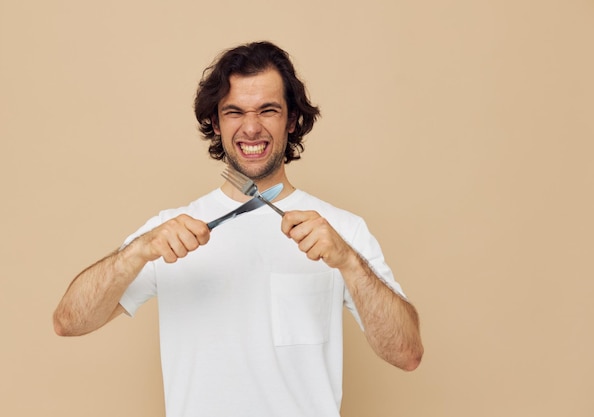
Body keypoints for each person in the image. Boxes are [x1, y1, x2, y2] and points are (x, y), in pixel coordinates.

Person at [53, 41, 423, 417]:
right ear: (215, 121)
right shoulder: (168, 233)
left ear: (291, 119)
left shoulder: (342, 231)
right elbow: (69, 322)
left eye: (268, 110)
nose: (251, 127)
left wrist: (348, 261)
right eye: (234, 112)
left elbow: (407, 353)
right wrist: (137, 251)